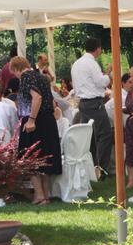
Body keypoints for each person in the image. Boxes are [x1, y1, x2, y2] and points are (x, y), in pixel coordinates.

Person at [10, 55, 62, 205]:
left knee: (31, 159)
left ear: (16, 69)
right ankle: (45, 195)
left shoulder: (26, 77)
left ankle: (39, 196)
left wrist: (31, 120)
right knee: (44, 159)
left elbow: (37, 97)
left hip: (35, 120)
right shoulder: (41, 77)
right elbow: (51, 102)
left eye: (14, 72)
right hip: (47, 120)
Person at [71, 38, 113, 176]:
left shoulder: (76, 64)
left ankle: (91, 167)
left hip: (83, 103)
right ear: (98, 49)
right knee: (105, 134)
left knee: (91, 136)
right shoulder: (91, 63)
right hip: (94, 103)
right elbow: (101, 82)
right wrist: (108, 74)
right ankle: (101, 169)